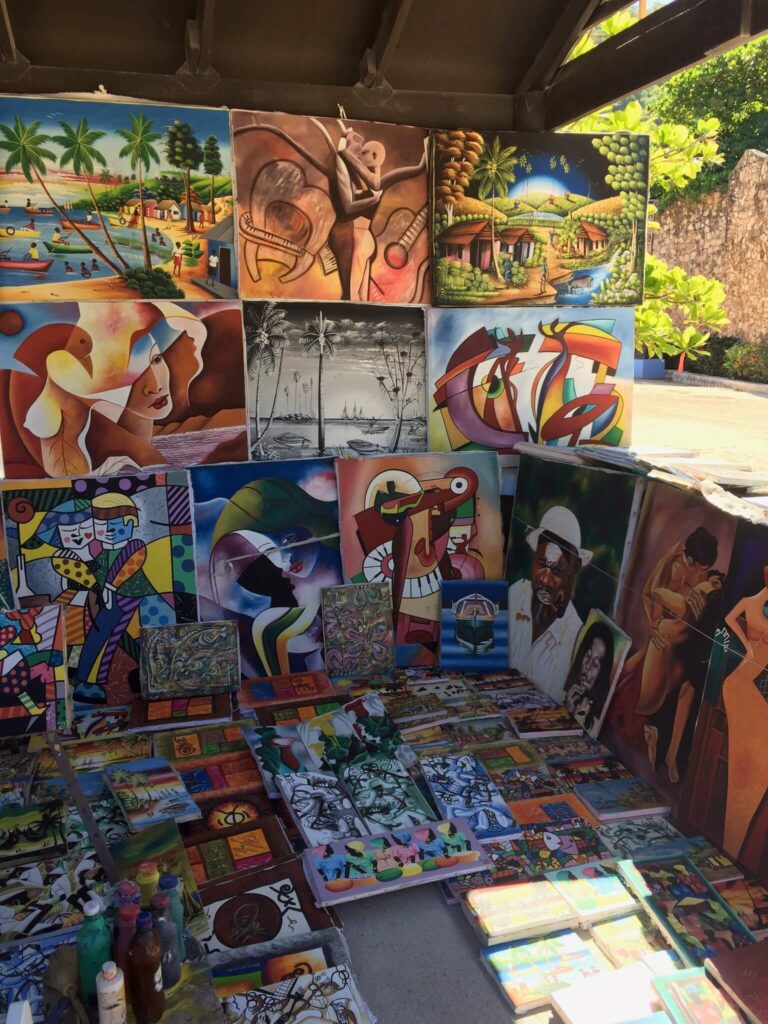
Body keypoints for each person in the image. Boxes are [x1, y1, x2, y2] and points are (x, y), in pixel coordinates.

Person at [508, 506, 592, 702]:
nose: (545, 579)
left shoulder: (574, 637)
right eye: (541, 564)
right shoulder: (514, 595)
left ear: (574, 569)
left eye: (557, 571)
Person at [721, 565, 768, 860]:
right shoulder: (752, 603)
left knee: (755, 768)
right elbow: (729, 619)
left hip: (758, 684)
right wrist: (747, 647)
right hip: (745, 683)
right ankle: (731, 844)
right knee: (749, 765)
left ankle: (733, 846)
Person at [563, 619, 615, 734]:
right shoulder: (564, 695)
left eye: (595, 664)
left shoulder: (596, 724)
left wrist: (570, 717)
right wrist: (565, 711)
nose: (587, 666)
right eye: (588, 655)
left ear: (601, 675)